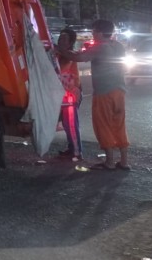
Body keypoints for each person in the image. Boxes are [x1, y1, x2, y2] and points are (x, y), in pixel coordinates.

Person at [59, 19, 129, 170]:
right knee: (119, 124)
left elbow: (79, 58)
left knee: (103, 125)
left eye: (93, 31)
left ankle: (109, 162)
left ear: (99, 32)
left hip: (104, 92)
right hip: (120, 90)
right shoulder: (118, 46)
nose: (92, 34)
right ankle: (124, 161)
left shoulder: (101, 47)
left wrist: (61, 50)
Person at [55, 28, 83, 161]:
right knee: (67, 124)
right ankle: (72, 148)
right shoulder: (60, 55)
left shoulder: (70, 55)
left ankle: (76, 152)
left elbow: (62, 67)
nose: (60, 41)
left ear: (70, 42)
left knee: (71, 124)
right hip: (64, 95)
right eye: (60, 38)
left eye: (64, 39)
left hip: (70, 96)